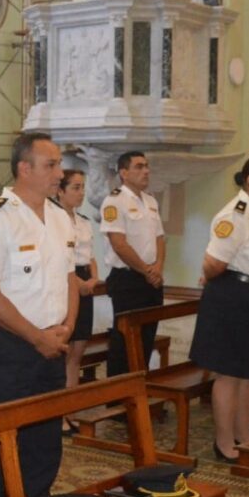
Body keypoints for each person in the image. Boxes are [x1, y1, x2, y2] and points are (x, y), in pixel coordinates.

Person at [0, 134, 77, 497]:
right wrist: (37, 336)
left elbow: (70, 280)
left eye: (60, 164)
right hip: (10, 346)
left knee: (45, 438)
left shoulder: (60, 217)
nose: (60, 174)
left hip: (52, 343)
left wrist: (65, 328)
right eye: (51, 165)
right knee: (3, 439)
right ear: (24, 168)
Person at [189, 156, 249, 460]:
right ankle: (223, 443)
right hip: (234, 301)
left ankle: (244, 437)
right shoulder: (235, 214)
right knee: (230, 375)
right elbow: (214, 262)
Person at [99, 151, 165, 376]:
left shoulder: (150, 201)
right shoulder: (114, 201)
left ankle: (140, 396)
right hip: (127, 279)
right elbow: (119, 244)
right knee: (125, 342)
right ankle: (119, 404)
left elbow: (159, 238)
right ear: (124, 173)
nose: (146, 171)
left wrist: (157, 268)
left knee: (146, 339)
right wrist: (146, 270)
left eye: (146, 166)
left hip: (151, 279)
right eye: (139, 166)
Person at [57, 169, 100, 392]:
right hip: (66, 283)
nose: (81, 192)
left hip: (85, 280)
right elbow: (60, 261)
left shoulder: (83, 221)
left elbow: (90, 255)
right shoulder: (54, 221)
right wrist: (78, 284)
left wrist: (94, 278)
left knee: (78, 352)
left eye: (83, 187)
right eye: (75, 187)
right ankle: (59, 412)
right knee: (65, 351)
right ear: (60, 191)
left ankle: (70, 408)